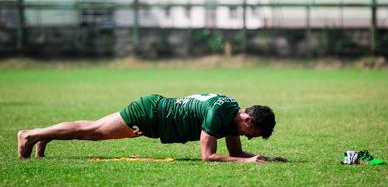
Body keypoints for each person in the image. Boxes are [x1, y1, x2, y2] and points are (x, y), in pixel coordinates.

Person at [17, 93, 287, 163]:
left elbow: (237, 154)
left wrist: (263, 158)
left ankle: (45, 136)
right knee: (94, 131)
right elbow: (208, 157)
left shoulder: (232, 113)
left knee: (93, 130)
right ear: (248, 120)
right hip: (151, 114)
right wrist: (247, 163)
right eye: (249, 133)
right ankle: (30, 135)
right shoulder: (220, 114)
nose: (243, 136)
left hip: (157, 111)